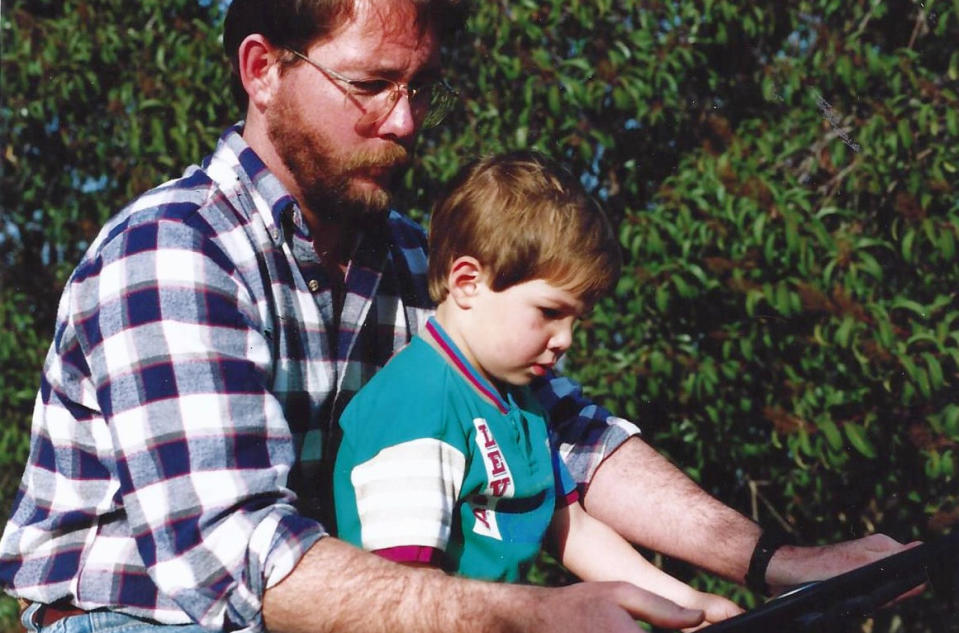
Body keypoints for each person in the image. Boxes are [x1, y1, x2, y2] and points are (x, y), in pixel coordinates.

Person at [0, 1, 912, 632]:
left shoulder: (406, 259)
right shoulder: (175, 254)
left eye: (420, 87)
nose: (403, 121)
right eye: (370, 84)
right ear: (262, 70)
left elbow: (572, 443)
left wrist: (780, 561)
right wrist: (535, 613)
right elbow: (241, 557)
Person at [333, 150, 744, 626]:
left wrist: (687, 609)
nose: (565, 340)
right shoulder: (417, 405)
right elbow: (407, 597)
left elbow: (573, 528)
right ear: (467, 282)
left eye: (576, 321)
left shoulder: (518, 403)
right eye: (550, 313)